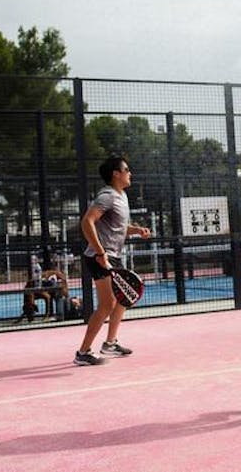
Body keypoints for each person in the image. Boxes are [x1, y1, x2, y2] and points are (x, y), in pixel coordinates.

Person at [74, 156, 151, 366]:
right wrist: (100, 252)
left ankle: (110, 343)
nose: (130, 173)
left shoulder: (122, 196)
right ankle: (83, 352)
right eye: (126, 169)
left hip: (112, 256)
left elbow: (117, 228)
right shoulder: (107, 196)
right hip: (99, 257)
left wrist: (136, 230)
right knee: (107, 304)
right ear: (116, 174)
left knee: (122, 298)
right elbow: (87, 222)